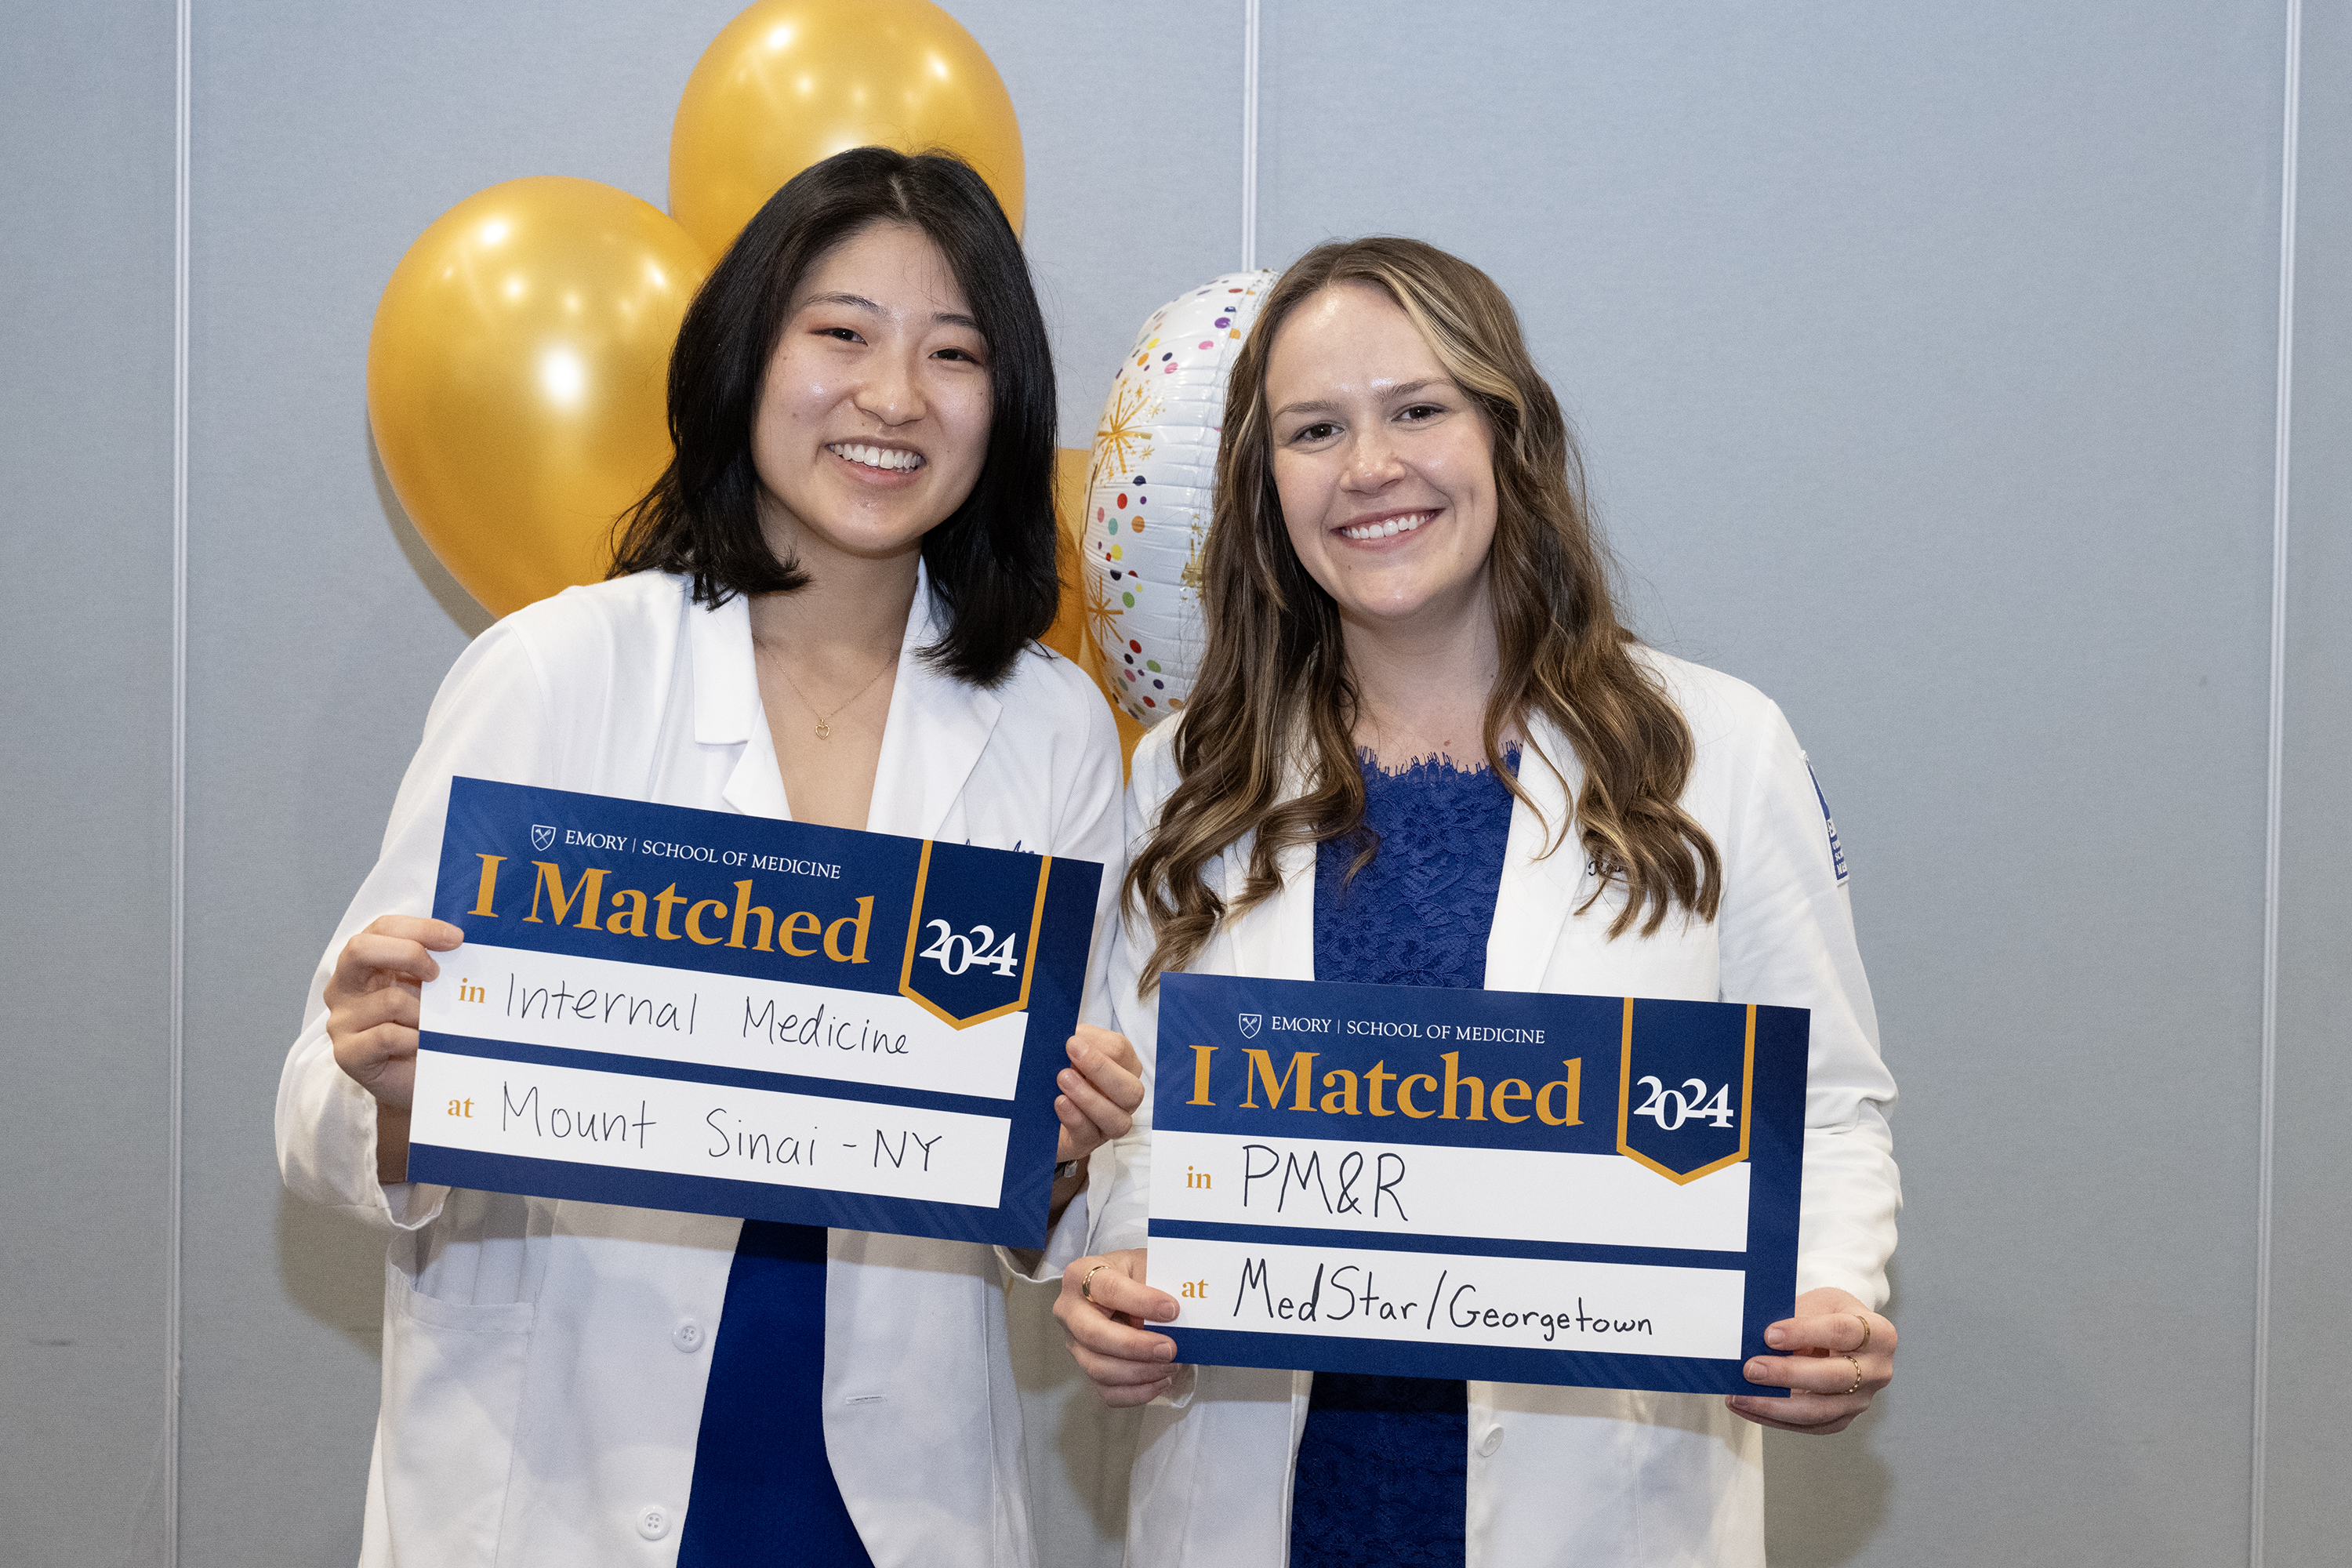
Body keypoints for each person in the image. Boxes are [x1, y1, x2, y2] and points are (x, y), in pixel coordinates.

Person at [277, 147, 1142, 1567]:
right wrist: (390, 1079)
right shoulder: (558, 670)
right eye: (842, 334)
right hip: (548, 1479)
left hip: (879, 1500)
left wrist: (1060, 1153)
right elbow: (317, 1108)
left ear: (1004, 403)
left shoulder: (1049, 727)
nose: (893, 397)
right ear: (747, 358)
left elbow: (1039, 1193)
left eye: (954, 352)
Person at [1052, 237, 1902, 1566]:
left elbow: (1828, 1106)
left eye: (1419, 409)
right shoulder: (1185, 780)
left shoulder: (1718, 750)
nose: (1370, 467)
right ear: (1264, 484)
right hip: (1264, 1510)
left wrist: (1829, 1300)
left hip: (1606, 1512)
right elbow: (1137, 1131)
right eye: (1315, 429)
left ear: (1509, 434)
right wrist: (1116, 1274)